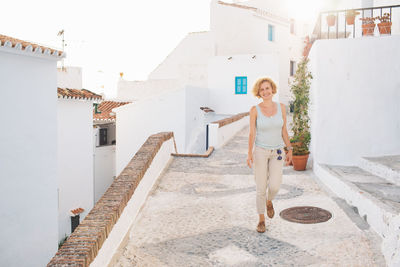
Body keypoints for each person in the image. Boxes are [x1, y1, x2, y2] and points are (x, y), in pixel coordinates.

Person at [247, 77, 293, 233]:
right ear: (259, 93)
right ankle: (261, 220)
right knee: (260, 187)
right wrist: (249, 154)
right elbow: (252, 133)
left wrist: (290, 149)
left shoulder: (281, 108)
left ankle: (269, 201)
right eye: (262, 89)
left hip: (278, 152)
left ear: (272, 90)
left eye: (267, 88)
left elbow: (284, 130)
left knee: (275, 185)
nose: (265, 91)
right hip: (260, 151)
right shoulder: (255, 110)